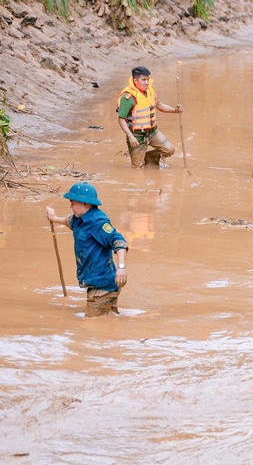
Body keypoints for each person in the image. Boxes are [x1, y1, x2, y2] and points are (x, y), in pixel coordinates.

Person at [45, 183, 128, 317]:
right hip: (97, 285)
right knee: (108, 320)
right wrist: (54, 218)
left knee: (92, 325)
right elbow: (69, 221)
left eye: (73, 203)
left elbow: (119, 242)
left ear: (85, 204)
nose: (71, 207)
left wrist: (122, 267)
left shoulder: (98, 222)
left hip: (103, 287)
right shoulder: (79, 219)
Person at [116, 66, 181, 168]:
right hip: (137, 136)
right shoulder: (128, 97)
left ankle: (149, 157)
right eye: (143, 80)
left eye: (148, 79)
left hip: (152, 132)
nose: (147, 82)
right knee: (137, 168)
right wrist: (130, 136)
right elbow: (121, 119)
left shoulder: (150, 90)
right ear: (135, 80)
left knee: (170, 150)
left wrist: (175, 110)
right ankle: (140, 158)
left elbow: (159, 105)